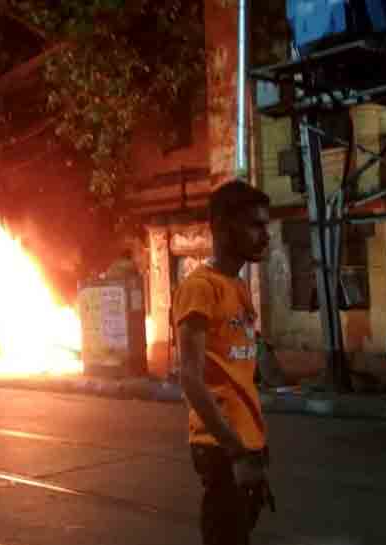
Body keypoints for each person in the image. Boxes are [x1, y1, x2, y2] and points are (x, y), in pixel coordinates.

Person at [174, 180, 273, 545]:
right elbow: (190, 377)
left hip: (249, 442)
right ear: (220, 226)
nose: (265, 236)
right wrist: (235, 451)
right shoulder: (200, 288)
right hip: (222, 448)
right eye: (255, 225)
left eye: (266, 225)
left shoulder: (239, 286)